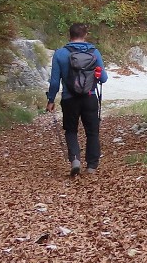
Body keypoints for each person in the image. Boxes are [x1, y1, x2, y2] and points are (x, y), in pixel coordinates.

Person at [46, 23, 108, 176]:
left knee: (71, 130)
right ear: (85, 35)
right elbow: (104, 78)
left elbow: (54, 82)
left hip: (69, 99)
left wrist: (51, 100)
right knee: (92, 132)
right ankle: (92, 167)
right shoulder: (94, 52)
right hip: (90, 97)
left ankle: (75, 160)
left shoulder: (60, 54)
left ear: (70, 35)